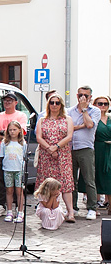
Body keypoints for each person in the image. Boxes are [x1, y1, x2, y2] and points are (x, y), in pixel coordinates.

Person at [35, 94, 76, 222]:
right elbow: (39, 137)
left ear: (61, 105)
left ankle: (70, 212)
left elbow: (69, 136)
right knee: (47, 182)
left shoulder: (67, 119)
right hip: (46, 155)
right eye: (52, 102)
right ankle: (47, 211)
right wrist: (49, 148)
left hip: (62, 155)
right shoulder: (43, 120)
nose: (54, 105)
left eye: (57, 103)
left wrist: (56, 147)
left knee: (66, 183)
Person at [0, 92, 28, 217]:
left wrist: (1, 132)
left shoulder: (21, 115)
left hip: (16, 155)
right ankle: (2, 205)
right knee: (1, 181)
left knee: (17, 183)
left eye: (10, 100)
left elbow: (21, 132)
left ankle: (17, 207)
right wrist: (8, 135)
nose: (7, 102)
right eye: (5, 100)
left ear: (16, 102)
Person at [69, 86, 101, 220]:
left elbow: (89, 125)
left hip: (86, 148)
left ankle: (92, 207)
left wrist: (83, 110)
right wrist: (79, 126)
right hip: (71, 148)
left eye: (86, 96)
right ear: (77, 96)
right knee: (71, 180)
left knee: (89, 179)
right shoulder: (70, 111)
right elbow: (68, 128)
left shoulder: (95, 111)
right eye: (80, 95)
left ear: (90, 97)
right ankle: (73, 207)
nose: (83, 98)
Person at [0, 121, 27, 223]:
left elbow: (24, 156)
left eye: (14, 129)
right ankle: (9, 211)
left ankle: (20, 211)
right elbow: (2, 156)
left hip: (18, 169)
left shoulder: (22, 143)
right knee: (9, 190)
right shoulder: (5, 143)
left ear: (19, 130)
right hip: (8, 169)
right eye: (10, 130)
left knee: (19, 191)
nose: (12, 132)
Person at [94, 95, 111, 210]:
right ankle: (95, 202)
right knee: (96, 174)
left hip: (110, 149)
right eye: (100, 103)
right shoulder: (93, 118)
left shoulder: (110, 118)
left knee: (109, 175)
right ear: (95, 105)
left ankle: (109, 203)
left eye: (105, 104)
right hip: (97, 148)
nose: (103, 106)